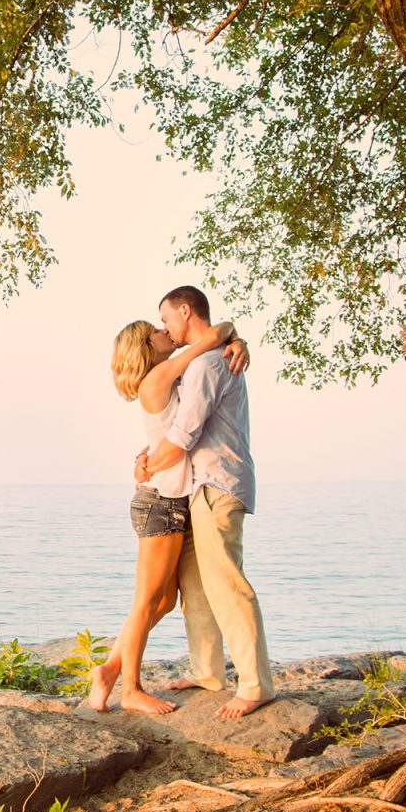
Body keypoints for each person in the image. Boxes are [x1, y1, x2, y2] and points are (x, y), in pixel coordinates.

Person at [88, 315, 246, 715]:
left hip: (171, 502)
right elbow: (212, 334)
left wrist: (239, 342)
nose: (166, 333)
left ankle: (108, 671)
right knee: (147, 602)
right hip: (159, 504)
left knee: (162, 603)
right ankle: (131, 689)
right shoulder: (157, 379)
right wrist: (230, 335)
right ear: (146, 347)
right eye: (157, 331)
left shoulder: (167, 379)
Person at [135, 285, 274, 719]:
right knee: (196, 590)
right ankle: (207, 671)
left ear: (184, 310)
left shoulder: (209, 363)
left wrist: (144, 469)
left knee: (227, 584)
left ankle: (255, 685)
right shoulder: (204, 357)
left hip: (217, 484)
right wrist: (230, 333)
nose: (166, 329)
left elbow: (182, 436)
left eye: (167, 320)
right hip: (198, 488)